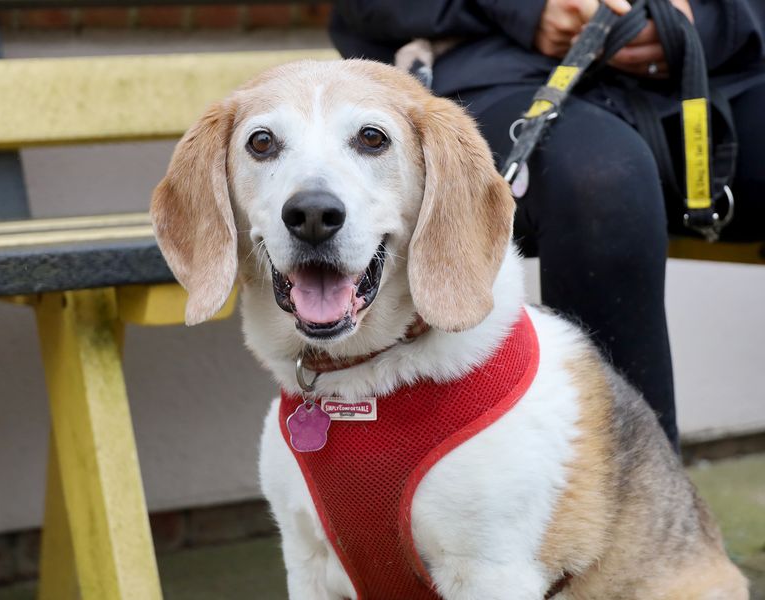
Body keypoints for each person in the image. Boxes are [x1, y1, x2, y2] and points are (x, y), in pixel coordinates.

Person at [328, 0, 765, 449]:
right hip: (494, 69)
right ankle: (622, 501)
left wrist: (705, 17)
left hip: (717, 65)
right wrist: (528, 9)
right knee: (600, 178)